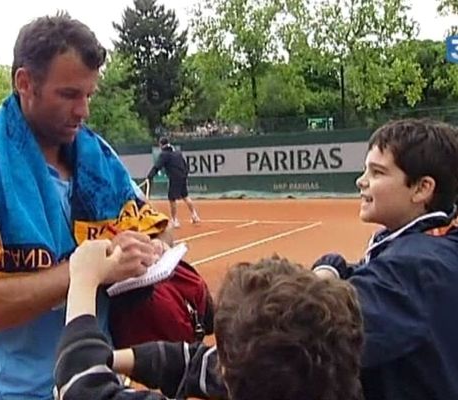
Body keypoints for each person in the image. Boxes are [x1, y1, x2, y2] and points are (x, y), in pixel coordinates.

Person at [0, 13, 172, 400]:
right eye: (68, 94)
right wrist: (87, 271)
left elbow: (161, 231)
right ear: (25, 83)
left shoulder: (100, 164)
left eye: (88, 95)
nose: (83, 111)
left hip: (103, 383)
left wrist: (141, 251)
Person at [55, 244, 365, 400]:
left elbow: (80, 386)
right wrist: (116, 359)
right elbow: (199, 362)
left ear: (229, 375)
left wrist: (83, 278)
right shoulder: (319, 376)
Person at [312, 119, 458, 400]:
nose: (361, 180)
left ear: (421, 188)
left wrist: (201, 365)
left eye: (377, 172)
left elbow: (301, 345)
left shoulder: (413, 267)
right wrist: (336, 267)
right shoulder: (436, 243)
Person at [146, 136, 200, 228]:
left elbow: (157, 166)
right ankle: (195, 215)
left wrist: (149, 176)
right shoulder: (177, 153)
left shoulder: (164, 155)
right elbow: (185, 166)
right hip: (182, 176)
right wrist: (184, 175)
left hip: (174, 178)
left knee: (172, 199)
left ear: (161, 145)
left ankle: (175, 220)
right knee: (185, 196)